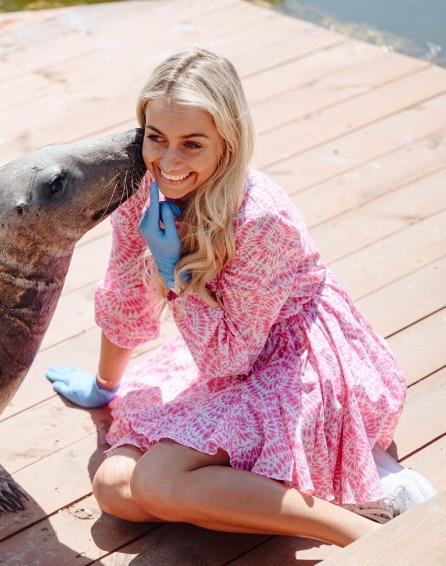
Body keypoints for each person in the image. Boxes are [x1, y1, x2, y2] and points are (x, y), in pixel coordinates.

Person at [45, 47, 436, 547]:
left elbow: (231, 358)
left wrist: (172, 267)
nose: (168, 161)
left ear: (227, 142)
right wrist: (104, 386)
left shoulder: (262, 218)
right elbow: (126, 293)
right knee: (115, 489)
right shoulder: (146, 190)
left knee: (158, 482)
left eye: (192, 144)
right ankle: (272, 486)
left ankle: (370, 532)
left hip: (293, 357)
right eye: (156, 138)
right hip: (221, 349)